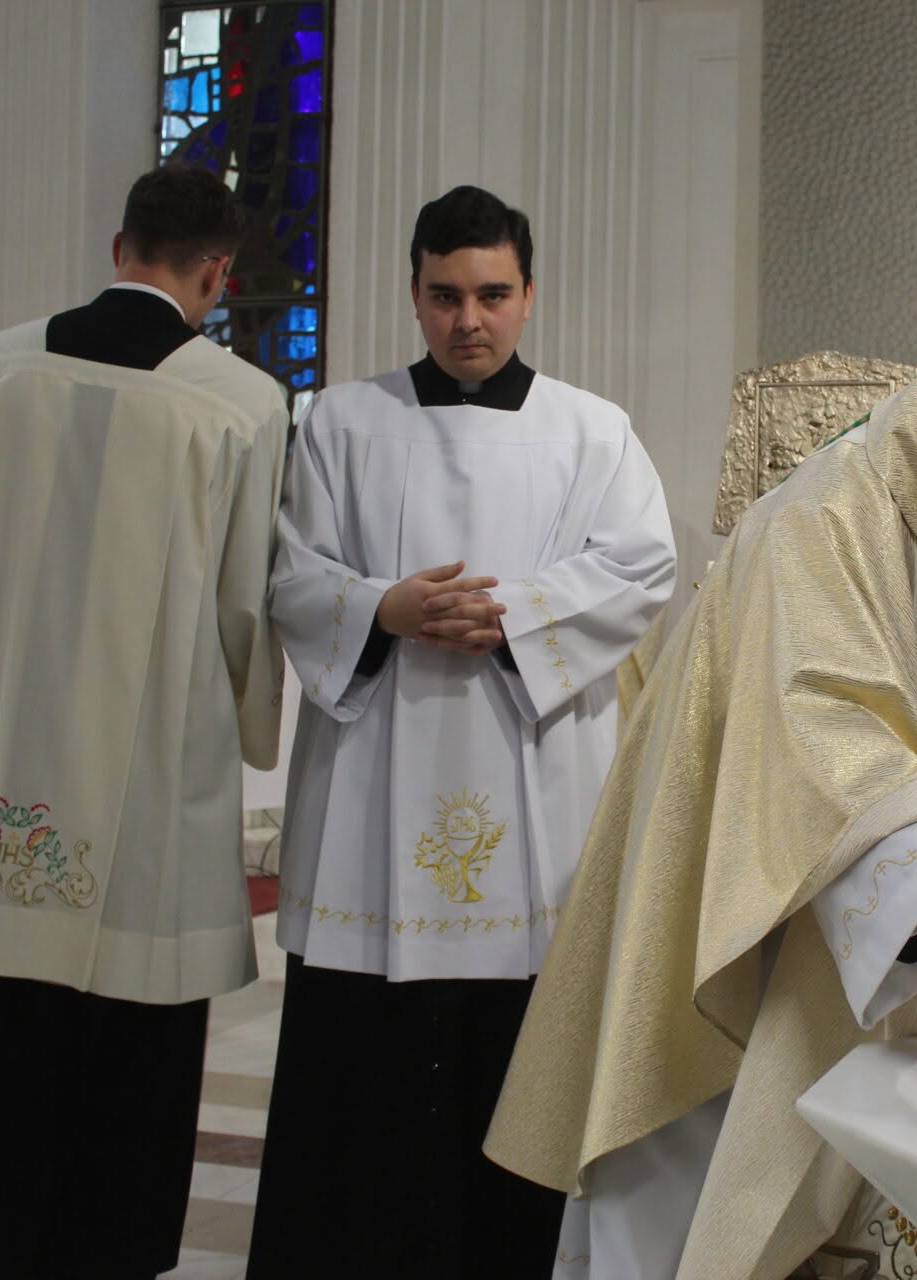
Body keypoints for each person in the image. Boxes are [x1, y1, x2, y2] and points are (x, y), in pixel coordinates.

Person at [485, 314, 917, 1279]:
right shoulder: (825, 518)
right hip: (762, 887)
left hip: (913, 888)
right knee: (718, 1157)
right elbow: (825, 719)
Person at [246, 184, 677, 1278]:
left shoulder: (592, 429)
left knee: (514, 1053)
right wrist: (384, 608)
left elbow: (643, 567)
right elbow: (291, 574)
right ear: (414, 293)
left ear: (529, 293)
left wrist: (515, 616)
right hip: (373, 784)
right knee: (366, 1070)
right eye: (445, 296)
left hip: (535, 777)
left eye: (491, 294)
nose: (468, 320)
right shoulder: (340, 422)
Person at [0, 165, 289, 1280]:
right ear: (218, 272)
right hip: (144, 775)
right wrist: (250, 725)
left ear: (118, 247)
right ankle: (102, 1248)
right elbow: (245, 606)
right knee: (126, 1041)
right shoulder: (241, 401)